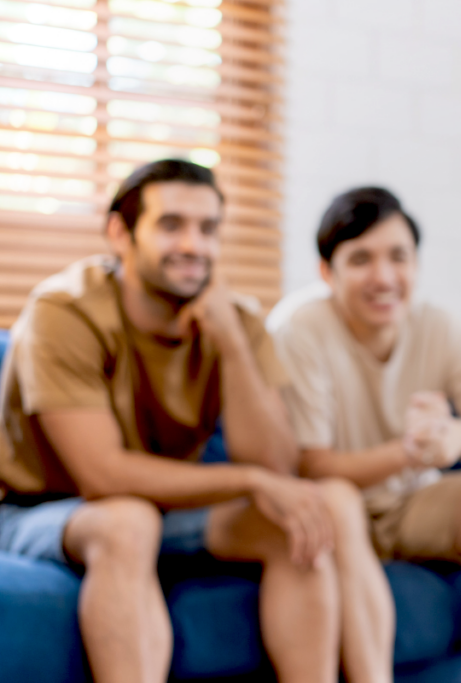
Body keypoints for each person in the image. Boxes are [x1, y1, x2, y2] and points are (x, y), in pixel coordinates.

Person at [0, 160, 392, 683]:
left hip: (165, 506)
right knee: (127, 520)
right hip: (37, 509)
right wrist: (250, 481)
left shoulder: (237, 318)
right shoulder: (64, 312)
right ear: (120, 233)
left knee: (299, 520)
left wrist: (230, 343)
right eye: (171, 225)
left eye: (208, 229)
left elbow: (276, 463)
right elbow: (102, 476)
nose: (193, 245)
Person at [267, 186, 461, 683]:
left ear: (416, 265)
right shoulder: (299, 329)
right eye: (361, 259)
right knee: (335, 496)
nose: (384, 277)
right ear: (326, 272)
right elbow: (313, 465)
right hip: (338, 511)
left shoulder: (444, 330)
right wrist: (410, 451)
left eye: (398, 257)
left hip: (413, 509)